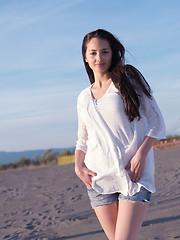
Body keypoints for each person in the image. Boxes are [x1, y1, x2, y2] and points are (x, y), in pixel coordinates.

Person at [75, 29, 166, 240]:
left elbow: (156, 120)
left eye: (105, 52)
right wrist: (78, 166)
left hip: (133, 174)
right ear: (85, 57)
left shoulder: (127, 80)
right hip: (98, 179)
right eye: (94, 53)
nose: (100, 58)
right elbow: (83, 138)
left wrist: (141, 155)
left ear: (112, 53)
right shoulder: (83, 97)